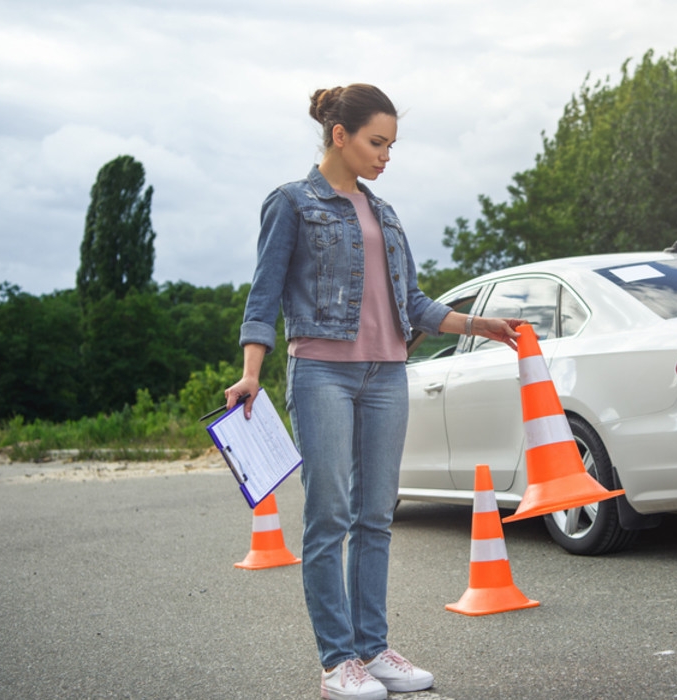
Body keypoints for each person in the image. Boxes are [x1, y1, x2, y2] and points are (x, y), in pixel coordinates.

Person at [224, 83, 522, 700]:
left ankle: (373, 649)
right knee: (329, 515)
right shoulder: (291, 203)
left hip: (387, 375)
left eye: (391, 144)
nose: (386, 155)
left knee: (376, 518)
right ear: (341, 135)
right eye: (376, 142)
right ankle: (338, 663)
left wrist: (478, 324)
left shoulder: (384, 213)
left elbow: (411, 303)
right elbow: (264, 295)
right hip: (322, 373)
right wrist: (252, 371)